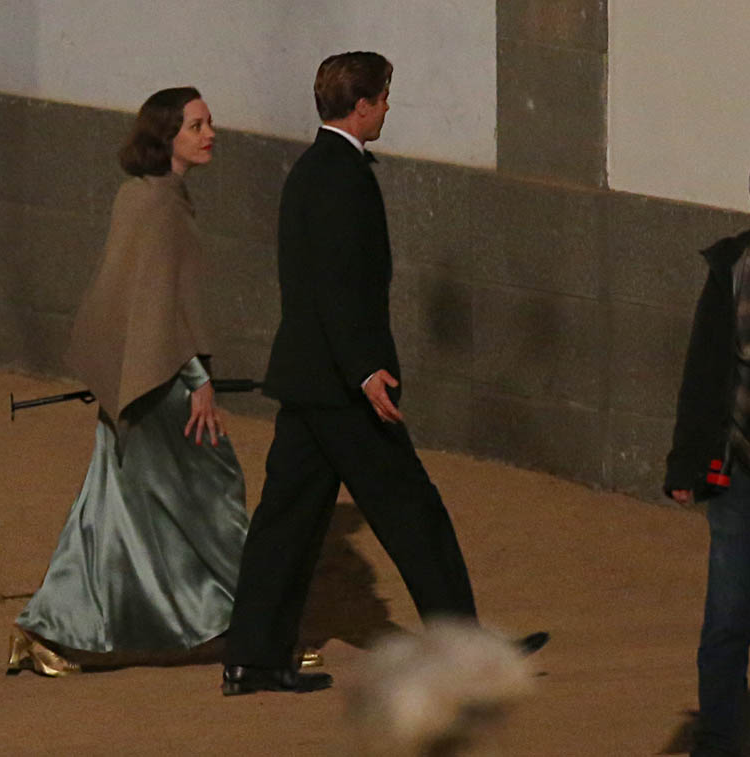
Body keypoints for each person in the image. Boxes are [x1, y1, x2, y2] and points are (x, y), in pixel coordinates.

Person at [222, 51, 547, 696]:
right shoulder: (339, 176)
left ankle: (251, 658)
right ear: (361, 105)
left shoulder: (312, 170)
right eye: (384, 97)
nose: (389, 108)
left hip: (313, 380)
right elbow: (338, 287)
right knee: (412, 512)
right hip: (345, 389)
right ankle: (465, 652)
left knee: (285, 523)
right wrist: (366, 370)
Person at [6, 87, 249, 676]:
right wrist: (199, 379)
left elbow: (131, 297)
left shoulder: (139, 195)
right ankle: (255, 627)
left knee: (110, 509)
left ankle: (46, 630)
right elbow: (165, 304)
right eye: (196, 126)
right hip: (165, 382)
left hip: (138, 375)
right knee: (214, 495)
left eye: (209, 123)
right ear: (167, 136)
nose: (210, 134)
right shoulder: (161, 206)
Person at [665, 145, 750, 756]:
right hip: (744, 478)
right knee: (724, 624)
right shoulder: (735, 267)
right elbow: (705, 370)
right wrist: (685, 463)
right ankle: (718, 741)